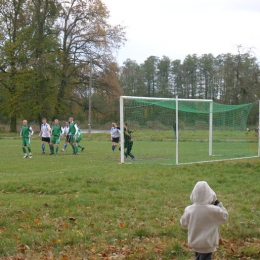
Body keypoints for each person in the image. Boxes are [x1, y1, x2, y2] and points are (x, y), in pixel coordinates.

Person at [180, 181, 228, 260]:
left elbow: (183, 223)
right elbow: (225, 216)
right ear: (210, 195)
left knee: (198, 256)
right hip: (208, 244)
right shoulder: (214, 210)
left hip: (195, 242)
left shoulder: (189, 209)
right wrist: (217, 202)